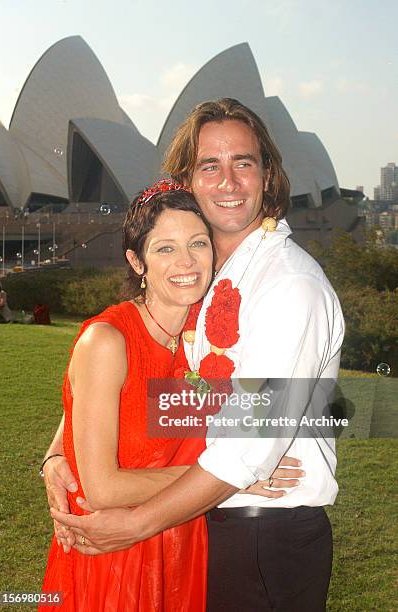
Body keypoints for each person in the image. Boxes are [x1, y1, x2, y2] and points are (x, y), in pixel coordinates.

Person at [51, 98, 344, 611]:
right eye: (211, 165)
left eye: (244, 163)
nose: (228, 181)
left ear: (267, 174)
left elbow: (249, 447)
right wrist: (59, 454)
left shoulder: (288, 286)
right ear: (189, 178)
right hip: (202, 528)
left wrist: (136, 521)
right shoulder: (206, 286)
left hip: (264, 539)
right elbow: (127, 378)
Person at [40, 181, 298, 612]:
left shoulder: (216, 331)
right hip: (113, 553)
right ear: (136, 261)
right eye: (164, 248)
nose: (186, 262)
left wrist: (53, 455)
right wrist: (230, 478)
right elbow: (102, 488)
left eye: (198, 243)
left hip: (186, 547)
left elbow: (295, 402)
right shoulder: (108, 341)